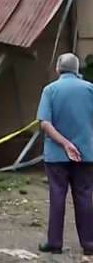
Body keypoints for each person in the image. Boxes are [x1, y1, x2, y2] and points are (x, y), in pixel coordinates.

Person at [36, 53, 93, 255]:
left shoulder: (50, 90)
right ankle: (89, 244)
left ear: (58, 69)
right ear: (78, 70)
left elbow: (44, 123)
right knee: (85, 196)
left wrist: (65, 143)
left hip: (56, 155)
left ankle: (55, 243)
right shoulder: (90, 89)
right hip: (86, 154)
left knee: (57, 196)